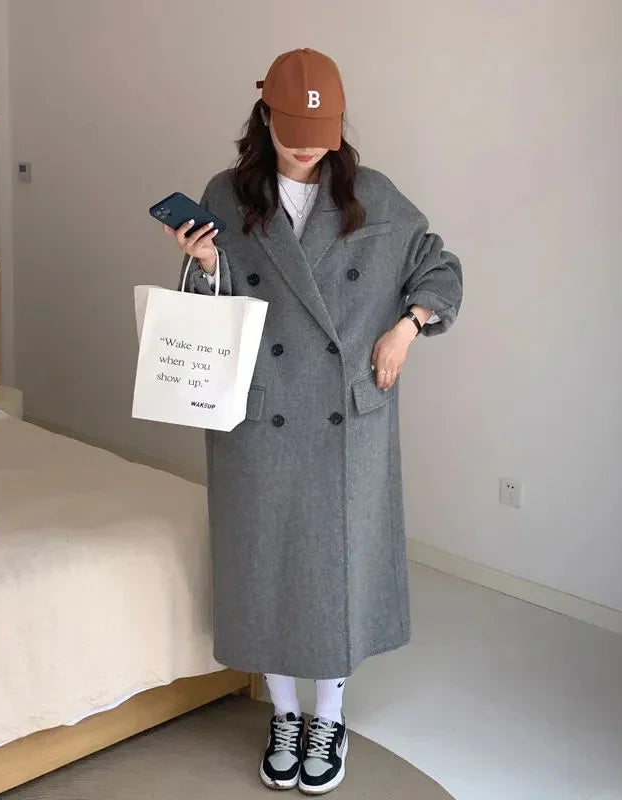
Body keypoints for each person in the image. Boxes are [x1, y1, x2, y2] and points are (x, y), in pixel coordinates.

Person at [162, 48, 463, 794]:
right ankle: (285, 713)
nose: (305, 144)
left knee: (334, 572)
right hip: (259, 406)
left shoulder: (375, 195)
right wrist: (202, 267)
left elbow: (438, 265)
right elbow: (214, 310)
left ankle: (328, 714)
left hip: (341, 415)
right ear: (265, 115)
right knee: (263, 562)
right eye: (293, 127)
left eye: (320, 130)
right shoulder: (225, 196)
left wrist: (408, 326)